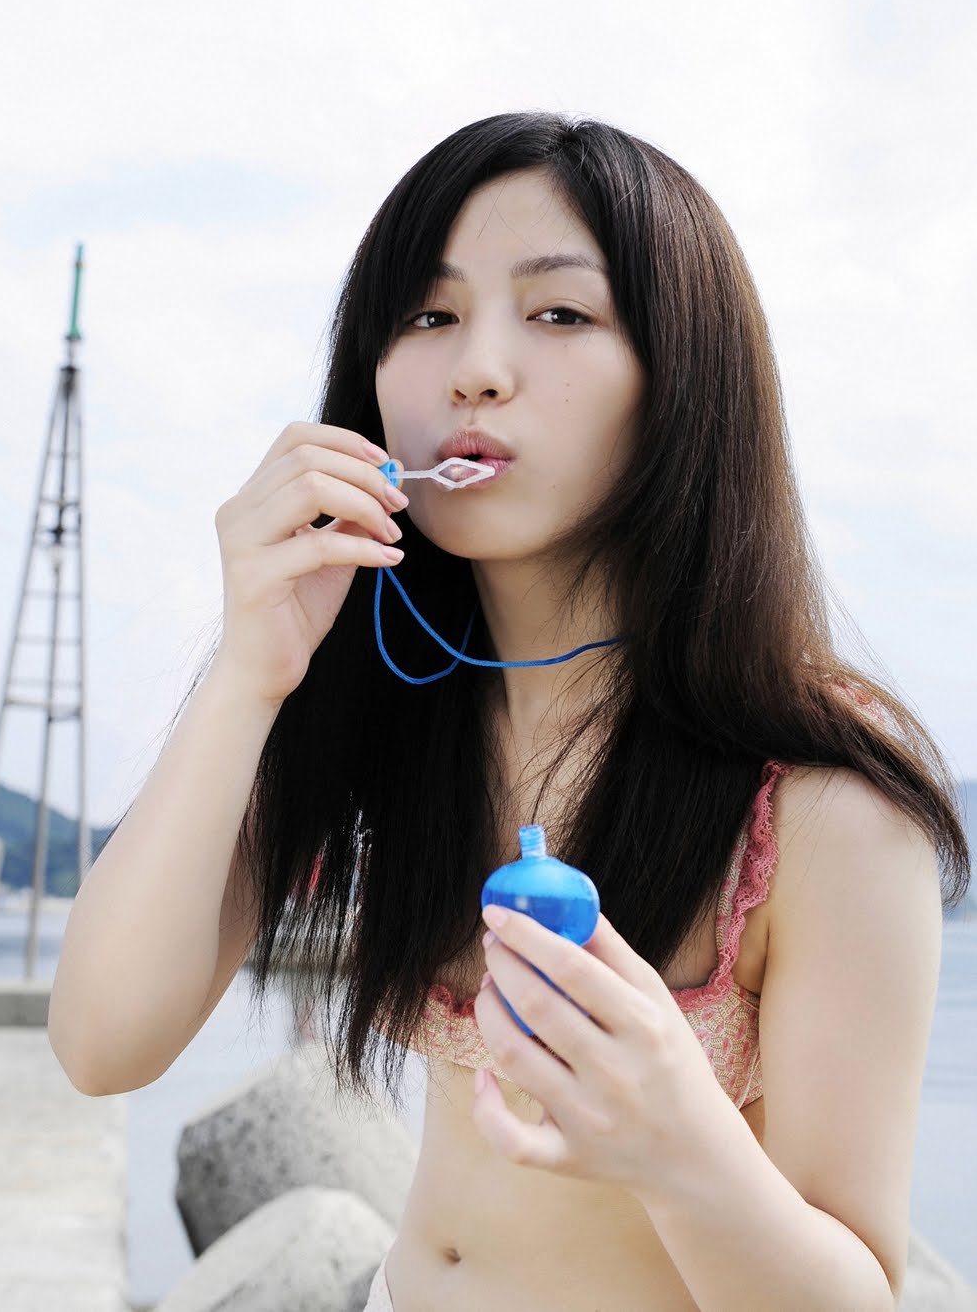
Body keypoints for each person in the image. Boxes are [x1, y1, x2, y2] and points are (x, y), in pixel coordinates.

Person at [49, 112, 971, 1311]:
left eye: (559, 313)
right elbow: (101, 1042)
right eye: (426, 316)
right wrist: (246, 673)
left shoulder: (817, 797)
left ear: (683, 377)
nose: (474, 369)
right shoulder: (389, 700)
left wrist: (679, 1149)